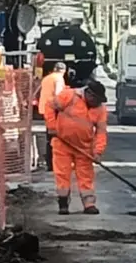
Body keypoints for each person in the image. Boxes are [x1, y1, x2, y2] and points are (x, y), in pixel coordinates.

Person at [45, 80, 109, 216]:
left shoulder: (100, 109)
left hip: (85, 147)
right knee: (62, 174)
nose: (97, 104)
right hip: (62, 143)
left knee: (86, 176)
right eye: (96, 100)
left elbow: (101, 132)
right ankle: (63, 203)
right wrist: (51, 126)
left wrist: (98, 152)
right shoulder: (69, 96)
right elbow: (49, 106)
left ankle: (89, 204)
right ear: (89, 94)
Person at [38, 62, 68, 172]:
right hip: (53, 110)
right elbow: (58, 94)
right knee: (55, 137)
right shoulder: (59, 79)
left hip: (45, 109)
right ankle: (53, 164)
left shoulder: (47, 78)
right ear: (64, 71)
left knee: (49, 135)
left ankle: (49, 163)